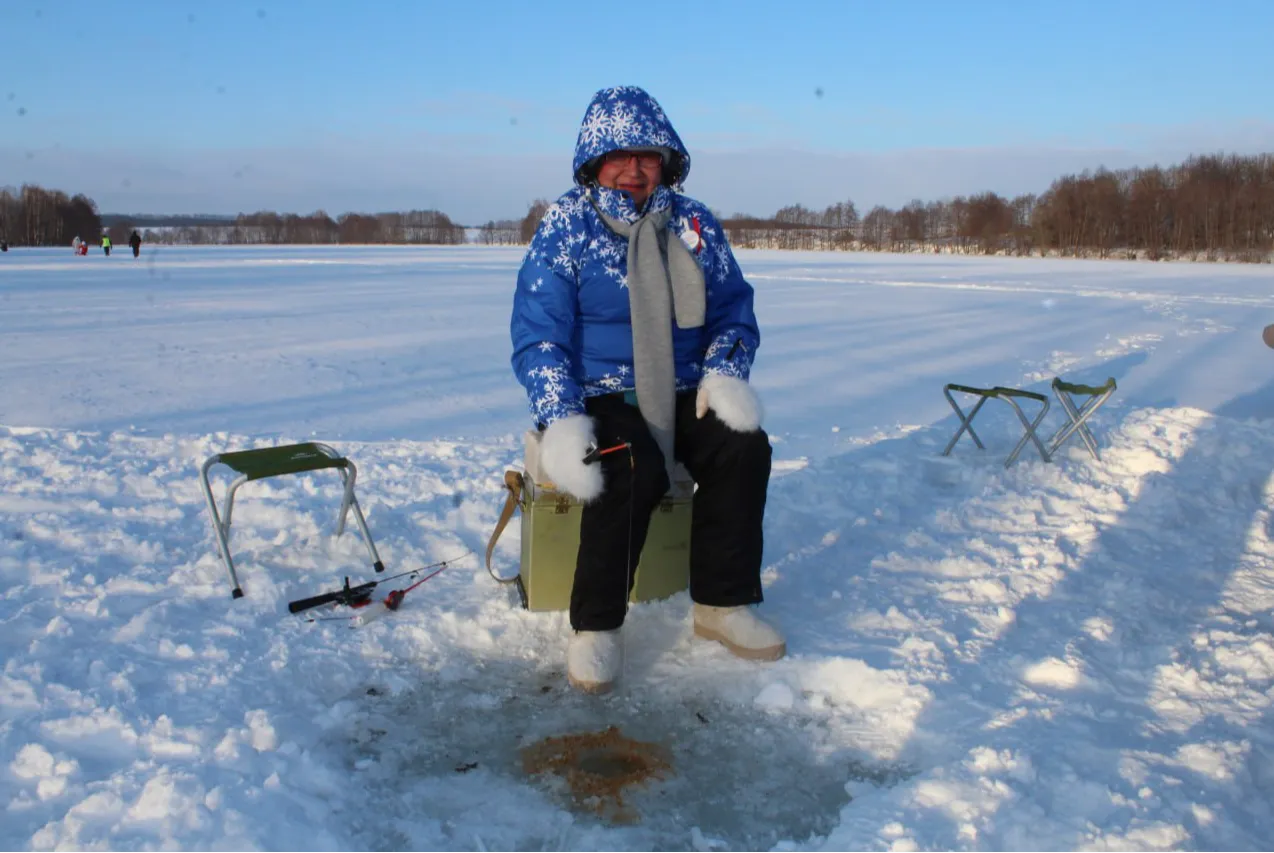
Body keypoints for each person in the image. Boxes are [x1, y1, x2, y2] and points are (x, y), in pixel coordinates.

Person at [510, 86, 782, 694]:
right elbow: (538, 335)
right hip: (603, 391)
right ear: (593, 162)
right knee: (626, 462)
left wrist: (722, 372)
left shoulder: (694, 223)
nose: (634, 170)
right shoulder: (568, 224)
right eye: (619, 156)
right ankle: (597, 627)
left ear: (667, 161)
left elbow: (734, 312)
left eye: (648, 156)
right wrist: (561, 415)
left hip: (688, 386)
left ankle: (723, 604)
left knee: (743, 446)